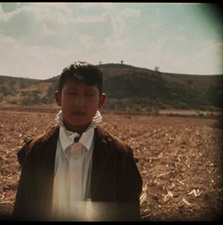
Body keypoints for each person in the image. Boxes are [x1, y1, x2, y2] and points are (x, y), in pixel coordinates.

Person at [11, 61, 143, 221]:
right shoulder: (35, 150)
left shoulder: (120, 155)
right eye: (72, 94)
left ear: (101, 101)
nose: (79, 102)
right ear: (58, 98)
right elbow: (22, 209)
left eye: (88, 95)